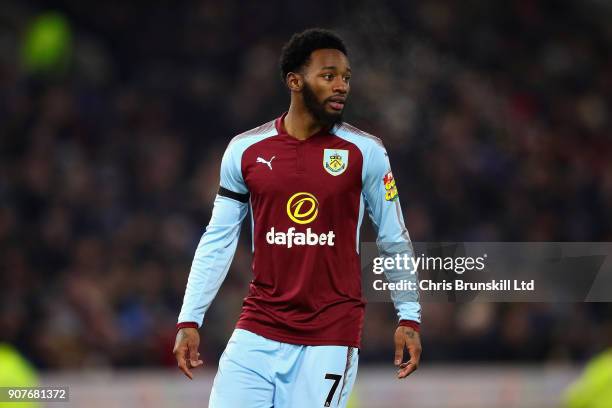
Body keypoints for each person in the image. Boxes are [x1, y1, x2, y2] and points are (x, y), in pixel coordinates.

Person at [173, 28, 422, 408]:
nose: (341, 86)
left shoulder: (365, 152)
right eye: (328, 76)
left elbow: (393, 237)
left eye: (346, 77)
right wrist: (190, 317)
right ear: (294, 81)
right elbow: (218, 238)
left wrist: (409, 314)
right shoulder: (245, 151)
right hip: (257, 328)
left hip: (329, 336)